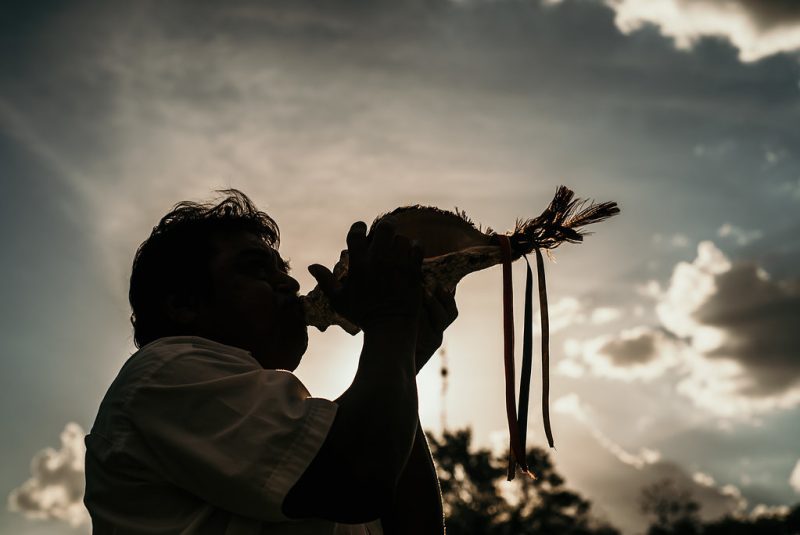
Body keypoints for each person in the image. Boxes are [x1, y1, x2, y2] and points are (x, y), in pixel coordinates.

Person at [83, 189, 458, 534]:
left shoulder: (282, 418)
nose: (290, 285)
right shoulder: (165, 372)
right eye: (256, 268)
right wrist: (391, 322)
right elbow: (359, 478)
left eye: (283, 269)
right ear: (183, 304)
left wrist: (405, 361)